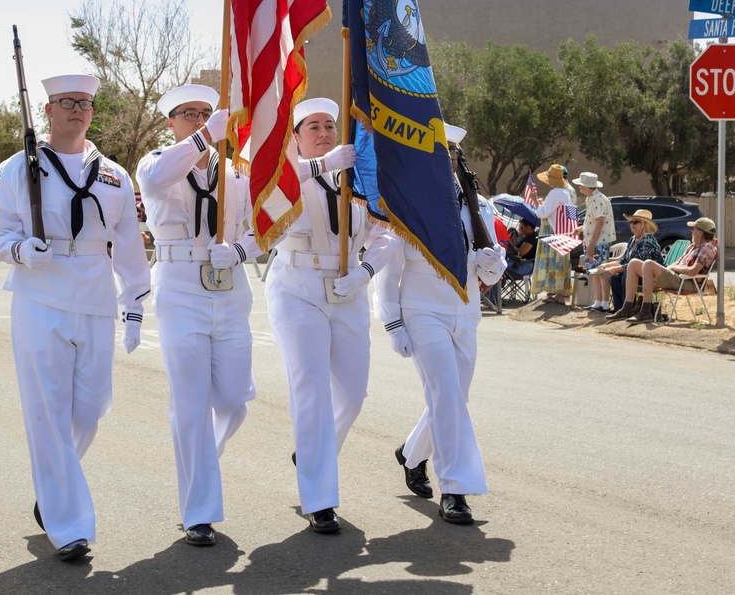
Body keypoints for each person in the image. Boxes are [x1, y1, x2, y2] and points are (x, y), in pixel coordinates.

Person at [0, 73, 151, 562]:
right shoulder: (15, 170)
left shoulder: (115, 176)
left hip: (96, 302)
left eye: (84, 103)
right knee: (47, 414)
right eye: (66, 102)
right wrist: (21, 249)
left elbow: (127, 244)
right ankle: (69, 525)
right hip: (40, 300)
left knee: (92, 409)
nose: (77, 110)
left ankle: (53, 488)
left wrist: (137, 299)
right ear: (48, 111)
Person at [135, 84, 263, 547]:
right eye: (188, 114)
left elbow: (260, 230)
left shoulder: (237, 173)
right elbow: (159, 178)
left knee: (233, 400)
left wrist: (242, 249)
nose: (198, 119)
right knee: (189, 403)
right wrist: (206, 135)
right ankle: (199, 510)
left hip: (229, 291)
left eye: (205, 113)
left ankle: (201, 462)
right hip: (181, 288)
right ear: (171, 122)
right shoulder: (156, 163)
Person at [265, 97, 396, 534]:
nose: (323, 134)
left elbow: (386, 231)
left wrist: (367, 271)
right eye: (313, 127)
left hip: (347, 289)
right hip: (297, 288)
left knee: (354, 394)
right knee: (312, 391)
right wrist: (321, 166)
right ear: (297, 138)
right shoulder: (290, 176)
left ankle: (313, 453)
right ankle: (319, 497)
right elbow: (268, 194)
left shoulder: (358, 179)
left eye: (329, 126)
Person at [378, 123, 506, 525]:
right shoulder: (408, 203)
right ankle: (455, 488)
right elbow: (388, 268)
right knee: (447, 395)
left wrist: (493, 264)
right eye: (435, 149)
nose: (444, 157)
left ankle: (412, 453)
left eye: (449, 150)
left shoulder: (477, 204)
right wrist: (393, 322)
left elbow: (490, 261)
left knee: (453, 398)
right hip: (422, 310)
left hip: (465, 311)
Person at [608, 217, 717, 324]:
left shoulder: (707, 249)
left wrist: (674, 268)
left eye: (693, 229)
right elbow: (677, 262)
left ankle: (645, 311)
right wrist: (669, 268)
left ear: (700, 232)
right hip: (676, 277)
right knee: (633, 263)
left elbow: (693, 271)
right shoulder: (693, 246)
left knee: (648, 263)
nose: (691, 231)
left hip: (686, 282)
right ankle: (627, 308)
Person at [590, 209, 663, 312]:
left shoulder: (648, 240)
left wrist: (614, 268)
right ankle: (619, 308)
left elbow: (637, 264)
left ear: (645, 225)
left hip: (651, 276)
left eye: (636, 222)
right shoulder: (633, 239)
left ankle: (629, 308)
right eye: (631, 222)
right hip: (638, 273)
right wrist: (606, 265)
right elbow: (624, 260)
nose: (632, 224)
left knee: (625, 274)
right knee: (615, 277)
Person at [572, 172, 615, 312]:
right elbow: (593, 220)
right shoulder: (593, 198)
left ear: (586, 186)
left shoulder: (596, 199)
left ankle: (604, 303)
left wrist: (592, 243)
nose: (579, 187)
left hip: (598, 242)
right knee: (595, 272)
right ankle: (599, 301)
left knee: (601, 272)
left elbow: (600, 221)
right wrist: (581, 229)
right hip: (595, 241)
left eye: (581, 185)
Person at [531, 164, 572, 305]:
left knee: (554, 262)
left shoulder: (556, 193)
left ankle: (558, 294)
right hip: (563, 230)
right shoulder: (565, 192)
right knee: (560, 263)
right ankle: (558, 293)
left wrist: (538, 203)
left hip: (554, 230)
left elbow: (542, 213)